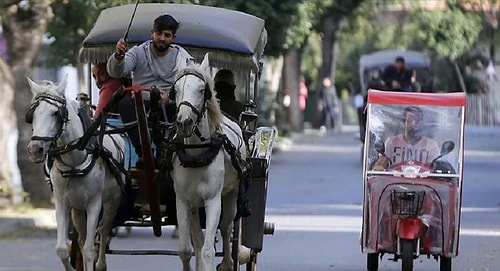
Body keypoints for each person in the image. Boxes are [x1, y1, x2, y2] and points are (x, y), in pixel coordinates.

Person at [107, 14, 194, 160]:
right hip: (141, 106)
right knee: (125, 104)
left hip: (168, 108)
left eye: (167, 35)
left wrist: (170, 99)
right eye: (158, 33)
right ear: (152, 33)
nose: (162, 38)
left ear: (173, 38)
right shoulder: (138, 52)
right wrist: (119, 56)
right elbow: (116, 72)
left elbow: (189, 87)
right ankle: (143, 153)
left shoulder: (183, 59)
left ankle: (166, 153)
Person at [372, 106, 440, 170]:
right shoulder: (391, 142)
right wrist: (379, 166)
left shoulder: (431, 145)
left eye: (419, 120)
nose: (415, 123)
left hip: (423, 181)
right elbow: (381, 165)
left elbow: (435, 169)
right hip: (395, 181)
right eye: (411, 119)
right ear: (404, 122)